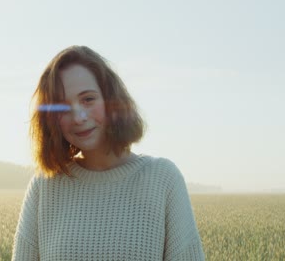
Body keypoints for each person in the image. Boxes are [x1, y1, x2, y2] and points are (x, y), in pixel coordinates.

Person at [12, 45, 205, 260]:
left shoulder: (163, 179)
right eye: (63, 107)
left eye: (88, 99)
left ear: (111, 101)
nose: (78, 117)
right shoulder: (44, 186)